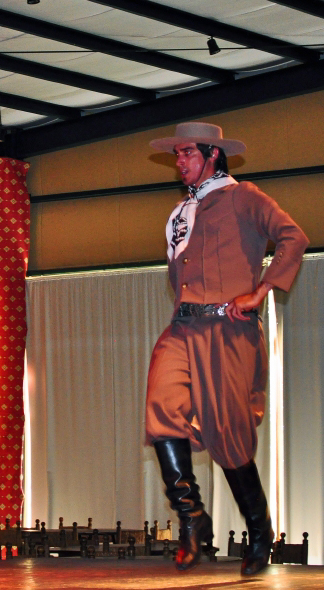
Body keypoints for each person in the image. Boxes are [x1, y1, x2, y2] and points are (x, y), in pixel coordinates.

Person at [144, 122, 308, 575]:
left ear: (213, 154)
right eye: (177, 154)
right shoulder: (181, 212)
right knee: (161, 406)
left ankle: (259, 529)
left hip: (228, 330)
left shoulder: (243, 196)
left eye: (187, 153)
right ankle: (191, 516)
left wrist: (260, 292)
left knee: (228, 435)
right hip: (183, 325)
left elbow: (293, 236)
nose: (180, 161)